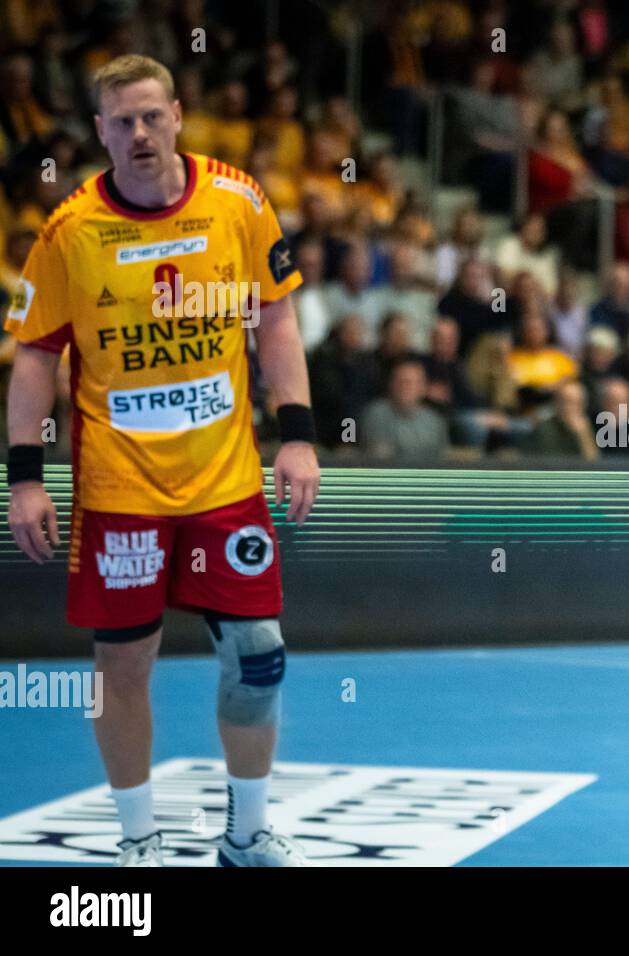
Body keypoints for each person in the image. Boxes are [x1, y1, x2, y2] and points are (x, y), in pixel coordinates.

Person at [4, 55, 321, 866]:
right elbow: (36, 357)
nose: (139, 134)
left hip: (224, 481)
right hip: (119, 492)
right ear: (101, 131)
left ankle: (247, 834)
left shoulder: (238, 200)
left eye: (151, 116)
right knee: (122, 666)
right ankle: (138, 840)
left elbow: (275, 320)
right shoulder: (70, 231)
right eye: (121, 121)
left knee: (260, 656)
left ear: (177, 115)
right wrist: (27, 477)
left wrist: (297, 434)